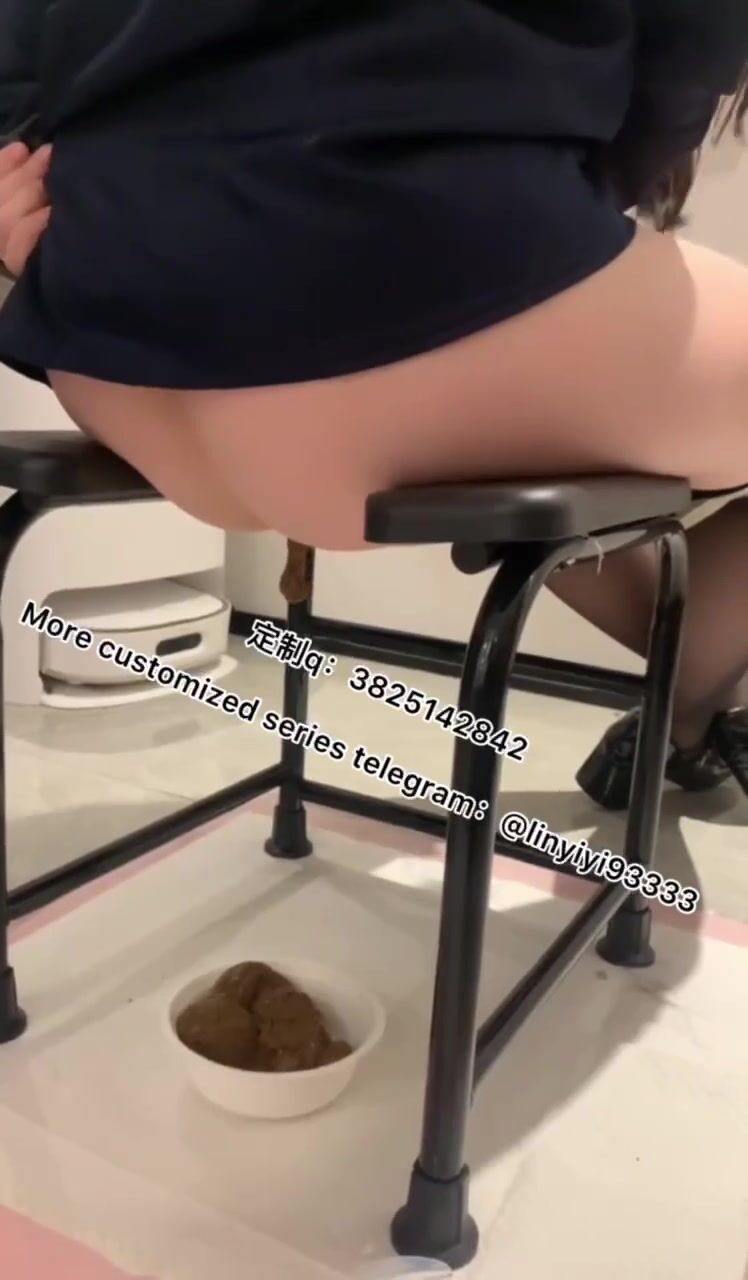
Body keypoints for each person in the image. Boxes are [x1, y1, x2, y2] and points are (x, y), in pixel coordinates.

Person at [0, 0, 746, 803]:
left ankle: (693, 717)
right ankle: (691, 715)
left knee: (551, 464)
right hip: (404, 288)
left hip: (109, 359)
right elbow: (687, 39)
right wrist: (573, 194)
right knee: (570, 439)